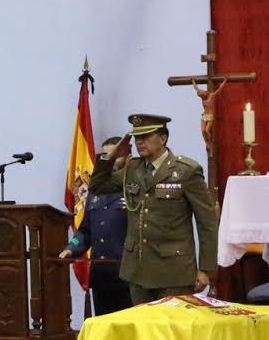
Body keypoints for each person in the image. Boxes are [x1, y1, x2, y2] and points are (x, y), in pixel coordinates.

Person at [89, 113, 219, 305]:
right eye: (136, 138)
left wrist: (206, 269)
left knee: (172, 331)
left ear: (163, 138)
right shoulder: (133, 169)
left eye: (145, 137)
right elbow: (97, 186)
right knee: (144, 331)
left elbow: (207, 222)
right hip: (138, 270)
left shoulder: (185, 171)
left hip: (174, 271)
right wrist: (110, 156)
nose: (140, 142)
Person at [58, 136, 132, 316]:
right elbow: (85, 231)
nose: (111, 161)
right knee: (103, 329)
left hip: (129, 274)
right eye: (106, 156)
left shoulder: (135, 188)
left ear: (128, 158)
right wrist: (71, 248)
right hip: (101, 273)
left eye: (116, 156)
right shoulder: (95, 192)